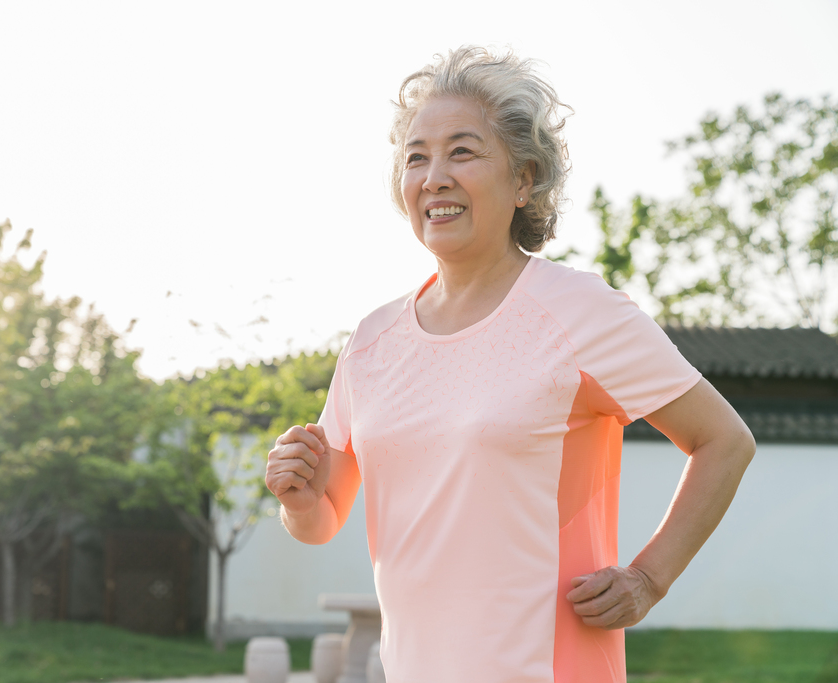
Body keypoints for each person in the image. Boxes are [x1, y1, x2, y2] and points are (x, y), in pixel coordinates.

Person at [264, 46, 755, 683]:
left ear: (523, 179)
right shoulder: (372, 341)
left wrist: (647, 578)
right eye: (417, 157)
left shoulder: (579, 311)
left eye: (462, 152)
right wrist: (297, 495)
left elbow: (725, 441)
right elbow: (321, 518)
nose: (434, 176)